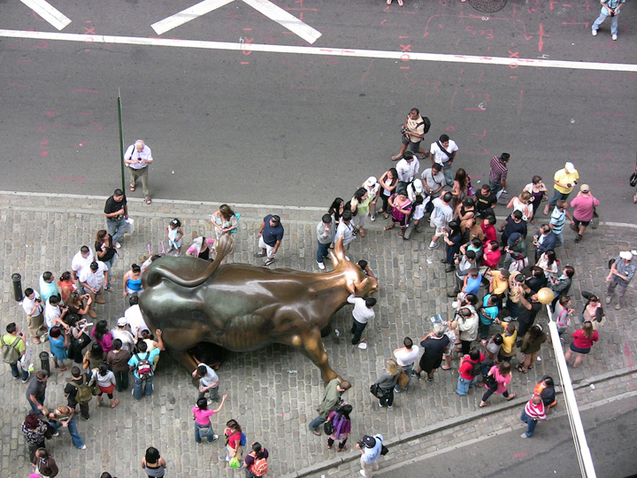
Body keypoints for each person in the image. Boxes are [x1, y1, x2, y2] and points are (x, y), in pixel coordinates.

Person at [129, 330, 165, 400]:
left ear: (139, 349)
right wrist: (159, 336)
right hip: (149, 372)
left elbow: (130, 365)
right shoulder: (151, 353)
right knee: (149, 383)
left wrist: (131, 369)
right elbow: (160, 347)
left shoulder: (135, 357)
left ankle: (137, 395)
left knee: (137, 385)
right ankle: (148, 392)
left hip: (138, 375)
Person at [124, 139, 154, 204]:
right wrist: (133, 162)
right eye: (138, 149)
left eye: (141, 149)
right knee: (133, 176)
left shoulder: (147, 149)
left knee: (145, 183)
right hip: (132, 168)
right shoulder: (131, 148)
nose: (140, 151)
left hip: (143, 169)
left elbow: (151, 161)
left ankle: (147, 197)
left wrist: (146, 161)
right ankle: (132, 183)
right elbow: (125, 160)